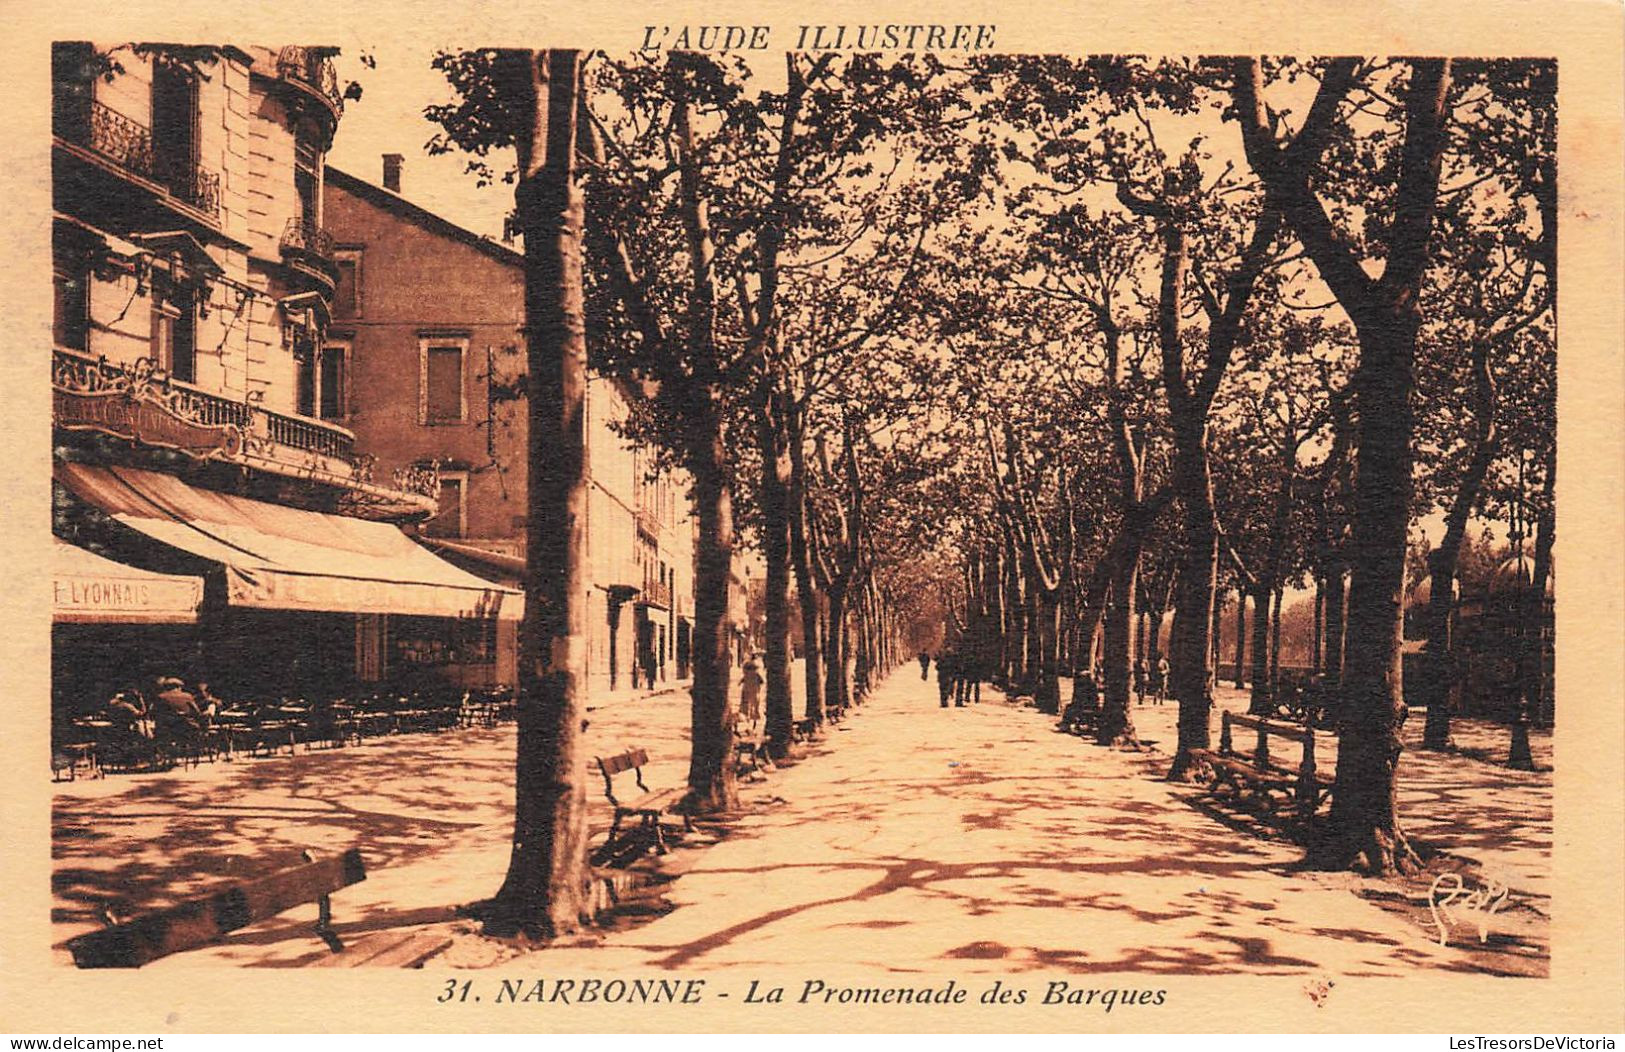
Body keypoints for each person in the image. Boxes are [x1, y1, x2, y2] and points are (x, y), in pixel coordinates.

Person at [738, 655, 763, 727]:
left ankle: (747, 716)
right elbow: (761, 681)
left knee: (746, 703)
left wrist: (740, 682)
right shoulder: (756, 673)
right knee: (755, 704)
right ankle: (754, 717)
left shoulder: (746, 673)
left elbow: (742, 679)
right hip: (755, 690)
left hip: (746, 689)